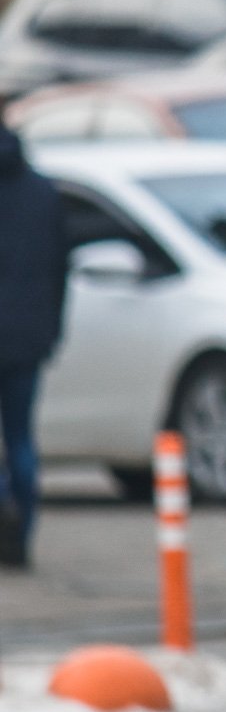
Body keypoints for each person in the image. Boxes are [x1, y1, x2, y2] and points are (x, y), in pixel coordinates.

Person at [0, 116, 68, 570]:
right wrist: (50, 330)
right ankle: (20, 536)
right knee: (21, 439)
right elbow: (60, 270)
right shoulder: (43, 193)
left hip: (25, 335)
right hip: (27, 338)